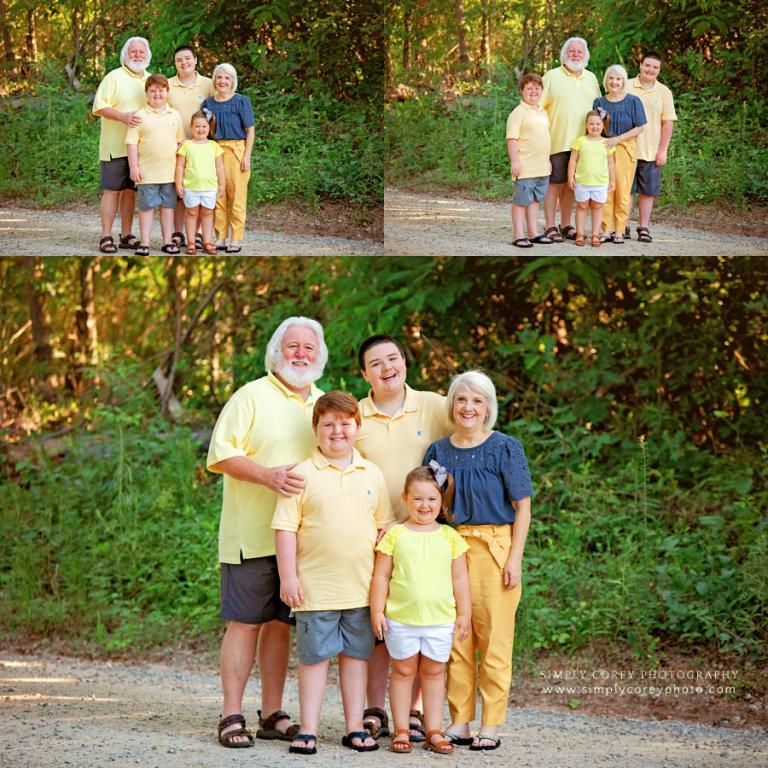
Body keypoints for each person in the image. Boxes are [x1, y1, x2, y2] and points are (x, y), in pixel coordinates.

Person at [206, 316, 327, 749]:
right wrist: (268, 477)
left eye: (309, 347)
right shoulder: (250, 396)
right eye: (292, 346)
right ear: (276, 353)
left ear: (320, 356)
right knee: (246, 623)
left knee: (280, 625)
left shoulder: (324, 403)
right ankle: (230, 714)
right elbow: (221, 456)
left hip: (301, 543)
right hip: (252, 536)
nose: (300, 353)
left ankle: (272, 714)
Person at [272, 391, 394, 755]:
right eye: (328, 424)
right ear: (316, 429)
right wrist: (288, 577)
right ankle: (308, 728)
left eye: (345, 423)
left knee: (357, 659)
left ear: (358, 427)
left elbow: (384, 526)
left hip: (361, 589)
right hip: (315, 590)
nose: (337, 431)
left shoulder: (371, 472)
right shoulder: (299, 475)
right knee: (313, 660)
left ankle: (354, 726)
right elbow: (284, 529)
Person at [423, 370, 533, 752]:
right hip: (450, 549)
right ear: (452, 405)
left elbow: (523, 507)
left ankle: (491, 723)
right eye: (461, 399)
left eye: (477, 400)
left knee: (494, 640)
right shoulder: (438, 452)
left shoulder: (505, 447)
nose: (468, 407)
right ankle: (461, 721)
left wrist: (514, 558)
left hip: (493, 549)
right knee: (456, 638)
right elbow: (428, 505)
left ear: (488, 407)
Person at [355, 335, 452, 743]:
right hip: (374, 534)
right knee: (381, 625)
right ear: (365, 374)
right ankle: (376, 708)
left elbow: (465, 436)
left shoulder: (432, 404)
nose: (387, 367)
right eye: (376, 363)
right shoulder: (355, 415)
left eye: (393, 358)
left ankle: (413, 712)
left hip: (426, 534)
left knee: (420, 619)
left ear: (405, 363)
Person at [370, 465, 471, 755]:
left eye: (431, 499)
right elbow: (381, 576)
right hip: (401, 618)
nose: (424, 506)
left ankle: (433, 729)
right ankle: (402, 728)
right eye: (417, 499)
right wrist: (377, 611)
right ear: (405, 498)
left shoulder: (450, 537)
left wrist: (464, 614)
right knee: (402, 671)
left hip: (440, 619)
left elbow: (460, 578)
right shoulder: (396, 535)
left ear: (441, 502)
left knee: (434, 672)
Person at [92, 36, 151, 254]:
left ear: (147, 56)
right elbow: (99, 107)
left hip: (140, 150)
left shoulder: (151, 80)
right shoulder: (113, 77)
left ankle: (126, 235)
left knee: (130, 192)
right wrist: (123, 117)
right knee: (112, 191)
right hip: (115, 146)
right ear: (125, 55)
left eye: (141, 52)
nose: (137, 55)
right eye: (133, 52)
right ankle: (105, 235)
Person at [540, 37, 601, 243]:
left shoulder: (591, 78)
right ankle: (549, 225)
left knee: (570, 186)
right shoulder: (551, 76)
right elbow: (538, 108)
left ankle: (565, 225)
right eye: (572, 51)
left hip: (583, 144)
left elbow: (599, 111)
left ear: (586, 56)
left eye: (580, 52)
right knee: (554, 185)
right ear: (564, 54)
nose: (575, 55)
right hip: (556, 141)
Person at [125, 74, 185, 255]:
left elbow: (180, 142)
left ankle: (167, 242)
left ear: (167, 92)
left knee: (168, 207)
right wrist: (134, 167)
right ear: (146, 93)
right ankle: (144, 243)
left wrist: (181, 172)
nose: (157, 94)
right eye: (153, 91)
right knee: (147, 207)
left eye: (161, 90)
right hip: (147, 173)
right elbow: (132, 143)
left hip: (170, 173)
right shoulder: (139, 116)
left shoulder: (174, 115)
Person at [202, 63, 255, 253]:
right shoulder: (208, 104)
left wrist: (246, 156)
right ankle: (220, 237)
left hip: (236, 151)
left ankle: (236, 238)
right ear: (214, 80)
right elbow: (204, 131)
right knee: (218, 196)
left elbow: (250, 131)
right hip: (214, 151)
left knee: (237, 197)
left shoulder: (241, 101)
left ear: (233, 81)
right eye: (219, 77)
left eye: (227, 78)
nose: (223, 81)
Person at [167, 45, 215, 249]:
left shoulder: (208, 84)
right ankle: (178, 232)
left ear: (196, 60)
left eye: (187, 58)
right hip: (175, 146)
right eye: (179, 60)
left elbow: (218, 107)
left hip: (202, 147)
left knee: (199, 190)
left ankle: (196, 234)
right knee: (180, 191)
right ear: (175, 63)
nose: (184, 62)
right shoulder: (168, 85)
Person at [592, 65, 646, 243]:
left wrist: (618, 139)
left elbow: (640, 127)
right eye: (611, 78)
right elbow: (595, 127)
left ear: (623, 81)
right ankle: (606, 229)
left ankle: (620, 231)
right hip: (604, 149)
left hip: (625, 150)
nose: (614, 82)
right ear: (606, 81)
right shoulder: (599, 103)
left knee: (623, 191)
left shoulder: (633, 101)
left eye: (618, 79)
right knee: (605, 190)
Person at [627, 52, 677, 243]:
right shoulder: (626, 85)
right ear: (640, 65)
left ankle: (643, 228)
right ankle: (623, 226)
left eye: (655, 67)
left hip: (650, 150)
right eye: (647, 65)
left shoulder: (664, 91)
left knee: (648, 192)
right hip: (627, 149)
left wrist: (662, 150)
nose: (650, 70)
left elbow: (668, 123)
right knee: (626, 190)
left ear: (659, 70)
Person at [505, 73, 552, 248]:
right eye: (529, 88)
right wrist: (515, 162)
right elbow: (512, 139)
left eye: (537, 88)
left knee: (534, 200)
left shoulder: (542, 112)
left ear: (542, 91)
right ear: (522, 91)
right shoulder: (518, 113)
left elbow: (544, 138)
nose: (534, 91)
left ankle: (533, 233)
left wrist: (547, 160)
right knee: (521, 201)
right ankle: (518, 234)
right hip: (525, 167)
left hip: (541, 167)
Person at [175, 111, 225, 255]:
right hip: (190, 187)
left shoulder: (214, 146)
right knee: (191, 213)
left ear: (209, 128)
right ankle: (191, 242)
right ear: (191, 127)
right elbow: (180, 166)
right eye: (197, 126)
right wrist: (178, 184)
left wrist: (221, 185)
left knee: (208, 213)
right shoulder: (187, 145)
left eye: (204, 126)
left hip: (210, 187)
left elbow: (220, 167)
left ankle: (207, 242)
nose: (201, 129)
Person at [568, 109, 616, 248]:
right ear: (586, 125)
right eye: (591, 124)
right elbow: (573, 160)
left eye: (598, 124)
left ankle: (595, 234)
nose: (594, 127)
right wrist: (570, 176)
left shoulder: (607, 143)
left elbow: (611, 163)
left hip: (600, 182)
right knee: (582, 206)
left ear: (603, 126)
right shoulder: (580, 141)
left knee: (597, 207)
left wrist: (612, 180)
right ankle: (580, 234)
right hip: (582, 181)